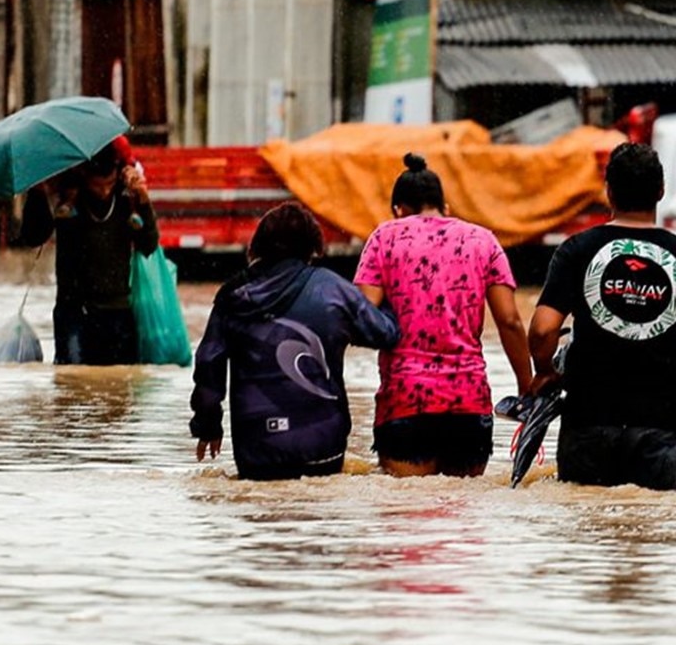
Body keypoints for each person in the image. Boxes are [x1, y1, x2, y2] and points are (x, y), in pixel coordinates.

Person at [527, 142, 676, 490]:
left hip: (588, 419)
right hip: (661, 424)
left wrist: (545, 372)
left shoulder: (576, 250)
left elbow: (542, 330)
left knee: (587, 531)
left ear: (608, 191)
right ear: (661, 191)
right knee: (652, 528)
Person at [190, 202, 400, 480]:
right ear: (313, 245)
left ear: (259, 244)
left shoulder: (232, 296)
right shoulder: (333, 290)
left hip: (256, 453)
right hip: (323, 448)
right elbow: (386, 334)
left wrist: (207, 426)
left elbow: (208, 364)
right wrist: (391, 290)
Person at [354, 153, 533, 477]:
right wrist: (526, 386)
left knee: (407, 514)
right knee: (462, 518)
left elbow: (363, 316)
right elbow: (509, 320)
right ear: (445, 207)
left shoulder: (385, 237)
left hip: (405, 401)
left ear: (398, 210)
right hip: (469, 402)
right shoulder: (483, 240)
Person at [21, 141, 158, 365]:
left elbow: (149, 244)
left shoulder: (127, 200)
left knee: (119, 389)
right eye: (97, 186)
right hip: (73, 313)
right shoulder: (67, 201)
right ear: (84, 176)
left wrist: (143, 200)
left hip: (118, 314)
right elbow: (33, 236)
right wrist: (38, 193)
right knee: (71, 382)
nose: (104, 192)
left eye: (109, 184)